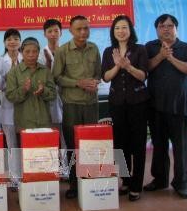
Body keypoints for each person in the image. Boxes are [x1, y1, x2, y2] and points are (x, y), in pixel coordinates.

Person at [144, 14, 187, 199]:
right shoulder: (150, 47)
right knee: (159, 146)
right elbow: (145, 70)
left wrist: (171, 58)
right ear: (157, 29)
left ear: (176, 28)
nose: (166, 29)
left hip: (180, 106)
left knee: (180, 148)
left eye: (169, 26)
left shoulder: (186, 48)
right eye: (162, 26)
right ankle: (160, 180)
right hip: (156, 106)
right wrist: (161, 55)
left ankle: (181, 183)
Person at [52, 15, 101, 199]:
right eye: (79, 29)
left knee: (90, 145)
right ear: (71, 31)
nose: (83, 32)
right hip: (71, 105)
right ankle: (73, 184)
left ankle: (90, 180)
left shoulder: (94, 48)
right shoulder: (63, 51)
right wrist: (78, 83)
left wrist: (94, 82)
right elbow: (57, 77)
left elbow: (98, 73)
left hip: (91, 104)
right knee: (72, 146)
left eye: (86, 28)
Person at [101, 15, 150, 201]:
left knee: (137, 144)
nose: (121, 31)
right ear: (113, 32)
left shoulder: (140, 50)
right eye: (117, 28)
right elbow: (105, 77)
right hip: (117, 103)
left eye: (124, 27)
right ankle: (126, 180)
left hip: (138, 102)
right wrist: (117, 66)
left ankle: (136, 185)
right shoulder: (108, 51)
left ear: (130, 30)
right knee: (120, 144)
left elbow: (143, 76)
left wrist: (128, 67)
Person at [42, 19, 67, 176]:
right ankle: (50, 169)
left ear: (61, 32)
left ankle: (65, 169)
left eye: (56, 31)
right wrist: (48, 64)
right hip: (47, 100)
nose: (53, 34)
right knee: (49, 136)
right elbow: (42, 78)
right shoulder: (40, 53)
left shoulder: (66, 51)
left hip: (66, 98)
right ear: (44, 34)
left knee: (65, 137)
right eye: (50, 31)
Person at [0, 28, 22, 187]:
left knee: (26, 143)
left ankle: (28, 174)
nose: (12, 42)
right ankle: (14, 178)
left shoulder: (27, 57)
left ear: (20, 41)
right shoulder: (1, 61)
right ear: (5, 43)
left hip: (26, 108)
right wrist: (6, 78)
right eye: (9, 39)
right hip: (8, 108)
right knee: (12, 144)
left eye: (15, 38)